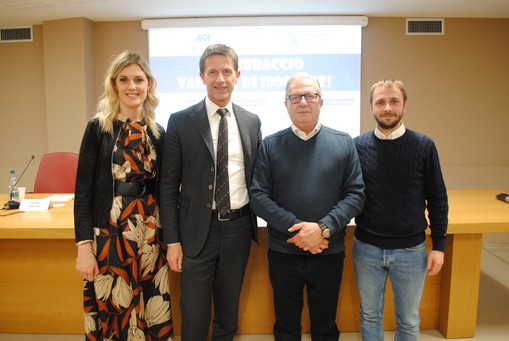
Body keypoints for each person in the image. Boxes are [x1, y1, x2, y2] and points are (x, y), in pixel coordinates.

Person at [250, 72, 365, 340]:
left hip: (329, 250)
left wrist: (322, 229)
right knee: (286, 327)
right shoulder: (269, 145)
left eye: (310, 95)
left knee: (325, 326)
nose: (303, 101)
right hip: (284, 251)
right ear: (286, 103)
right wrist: (302, 232)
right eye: (295, 96)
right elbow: (258, 197)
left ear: (321, 101)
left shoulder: (343, 142)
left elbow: (356, 195)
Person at [159, 44, 262, 341]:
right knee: (193, 316)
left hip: (238, 230)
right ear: (201, 76)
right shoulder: (180, 121)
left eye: (226, 71)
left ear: (237, 75)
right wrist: (173, 241)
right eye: (213, 72)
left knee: (228, 315)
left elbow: (257, 178)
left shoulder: (251, 121)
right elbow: (168, 186)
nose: (220, 79)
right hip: (195, 233)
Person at [74, 51, 173, 340]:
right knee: (116, 307)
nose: (132, 86)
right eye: (124, 79)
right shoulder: (98, 128)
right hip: (110, 231)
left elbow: (166, 188)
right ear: (114, 84)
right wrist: (83, 247)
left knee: (151, 306)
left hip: (151, 234)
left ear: (149, 84)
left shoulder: (158, 133)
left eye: (139, 79)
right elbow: (83, 192)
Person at [353, 79, 448, 341]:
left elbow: (437, 198)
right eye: (380, 102)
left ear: (404, 105)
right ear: (371, 107)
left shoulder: (423, 146)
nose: (387, 108)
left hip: (411, 250)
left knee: (408, 320)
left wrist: (439, 246)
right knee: (369, 315)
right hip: (367, 249)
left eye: (394, 101)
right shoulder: (356, 146)